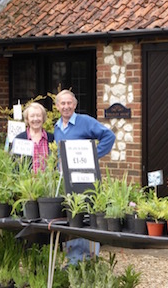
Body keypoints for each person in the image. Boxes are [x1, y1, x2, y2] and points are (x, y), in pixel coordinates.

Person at [54, 89, 116, 264]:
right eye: (62, 103)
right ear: (58, 106)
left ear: (75, 105)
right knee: (73, 219)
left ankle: (89, 260)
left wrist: (93, 156)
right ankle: (74, 261)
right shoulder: (57, 127)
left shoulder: (85, 121)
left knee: (87, 218)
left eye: (69, 103)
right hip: (66, 180)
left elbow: (109, 136)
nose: (66, 106)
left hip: (86, 179)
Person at [13, 102, 54, 173]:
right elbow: (15, 166)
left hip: (48, 183)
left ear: (43, 118)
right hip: (27, 183)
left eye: (38, 115)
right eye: (32, 116)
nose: (35, 119)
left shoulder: (51, 138)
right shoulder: (20, 139)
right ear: (27, 119)